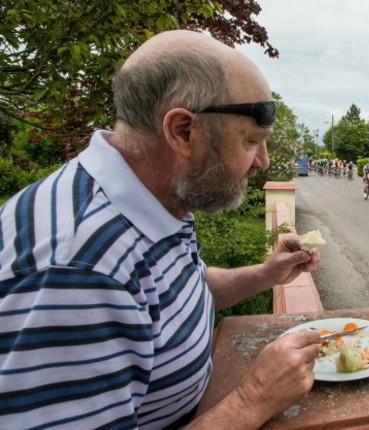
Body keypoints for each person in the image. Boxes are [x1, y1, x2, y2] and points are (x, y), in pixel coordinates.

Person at [0, 30, 322, 429]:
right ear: (183, 132)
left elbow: (174, 295)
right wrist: (253, 399)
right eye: (252, 140)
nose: (262, 162)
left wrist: (266, 274)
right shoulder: (79, 271)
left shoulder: (145, 204)